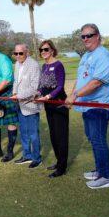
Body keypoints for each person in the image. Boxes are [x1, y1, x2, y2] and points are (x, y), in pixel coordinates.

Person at [65, 23, 109, 189]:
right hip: (86, 106)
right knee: (93, 138)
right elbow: (81, 79)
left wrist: (76, 95)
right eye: (83, 36)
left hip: (98, 106)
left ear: (97, 36)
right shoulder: (87, 55)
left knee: (98, 140)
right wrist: (72, 95)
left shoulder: (104, 56)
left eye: (89, 35)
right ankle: (99, 170)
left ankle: (106, 176)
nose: (86, 39)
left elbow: (96, 83)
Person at [36, 40, 69, 178]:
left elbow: (60, 86)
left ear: (52, 50)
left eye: (46, 49)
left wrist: (49, 96)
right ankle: (58, 161)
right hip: (48, 105)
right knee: (53, 136)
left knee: (61, 137)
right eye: (41, 50)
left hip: (59, 104)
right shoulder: (44, 66)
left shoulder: (58, 65)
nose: (43, 52)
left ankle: (62, 168)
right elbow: (42, 84)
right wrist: (38, 92)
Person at [11, 43, 42, 169]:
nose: (18, 56)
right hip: (20, 104)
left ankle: (36, 158)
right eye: (16, 53)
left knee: (33, 134)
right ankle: (26, 155)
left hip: (31, 105)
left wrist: (18, 96)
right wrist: (14, 93)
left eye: (21, 53)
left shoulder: (34, 65)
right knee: (23, 132)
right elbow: (15, 81)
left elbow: (34, 88)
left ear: (27, 52)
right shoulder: (17, 64)